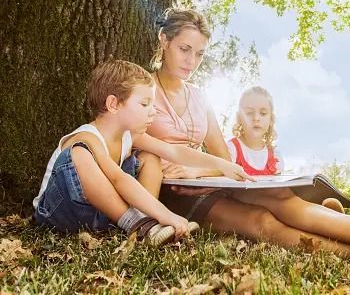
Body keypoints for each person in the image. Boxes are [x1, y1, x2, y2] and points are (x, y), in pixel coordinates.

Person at [147, 7, 350, 274]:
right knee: (261, 220)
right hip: (172, 196)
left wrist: (201, 171)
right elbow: (140, 149)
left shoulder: (199, 97)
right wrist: (192, 171)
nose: (191, 61)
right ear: (164, 40)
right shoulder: (144, 89)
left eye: (199, 54)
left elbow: (225, 162)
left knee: (282, 197)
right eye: (184, 49)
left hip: (205, 181)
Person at [33, 60, 252, 247]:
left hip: (103, 215)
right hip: (59, 213)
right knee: (79, 154)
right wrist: (164, 214)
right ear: (113, 104)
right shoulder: (87, 138)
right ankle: (142, 224)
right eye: (145, 103)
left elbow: (173, 151)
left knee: (150, 157)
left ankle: (143, 221)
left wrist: (224, 165)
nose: (153, 110)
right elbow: (119, 180)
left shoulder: (130, 136)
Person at [228, 85, 346, 213]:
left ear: (270, 119)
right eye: (249, 113)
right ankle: (327, 218)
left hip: (274, 205)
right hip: (246, 207)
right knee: (285, 205)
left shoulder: (275, 156)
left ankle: (329, 217)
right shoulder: (231, 149)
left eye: (263, 113)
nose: (256, 118)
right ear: (239, 117)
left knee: (288, 200)